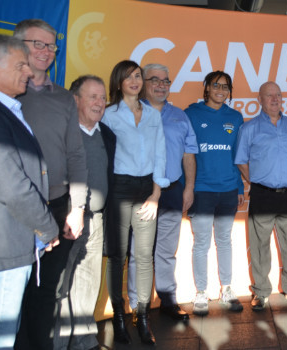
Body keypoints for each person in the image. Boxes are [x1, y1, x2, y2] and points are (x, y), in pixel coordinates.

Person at [0, 33, 58, 350]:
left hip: (6, 238)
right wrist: (47, 228)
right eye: (20, 64)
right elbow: (11, 185)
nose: (29, 71)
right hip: (2, 243)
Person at [13, 19, 88, 350]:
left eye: (51, 46)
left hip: (58, 209)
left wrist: (78, 208)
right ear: (17, 47)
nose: (46, 52)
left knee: (46, 297)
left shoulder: (63, 99)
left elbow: (76, 154)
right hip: (13, 211)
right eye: (37, 44)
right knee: (11, 295)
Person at [101, 60, 168, 345]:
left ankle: (141, 316)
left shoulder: (152, 114)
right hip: (118, 188)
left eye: (138, 76)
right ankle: (118, 316)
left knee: (144, 256)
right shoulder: (107, 115)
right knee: (118, 256)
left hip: (146, 190)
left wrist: (155, 195)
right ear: (118, 82)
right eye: (128, 76)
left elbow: (161, 155)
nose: (134, 80)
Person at [126, 63, 197, 322]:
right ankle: (137, 305)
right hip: (140, 192)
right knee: (139, 251)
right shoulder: (129, 113)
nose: (161, 85)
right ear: (143, 83)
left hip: (173, 190)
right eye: (154, 80)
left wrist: (188, 188)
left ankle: (167, 300)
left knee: (166, 250)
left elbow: (188, 154)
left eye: (165, 81)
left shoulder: (180, 115)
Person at [53, 75, 116, 350]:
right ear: (74, 100)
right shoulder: (61, 133)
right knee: (60, 285)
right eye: (92, 96)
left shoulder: (108, 135)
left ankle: (85, 339)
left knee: (89, 282)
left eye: (102, 98)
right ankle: (56, 342)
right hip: (67, 220)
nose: (99, 103)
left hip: (97, 220)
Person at [234, 81, 287, 310]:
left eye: (278, 95)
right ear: (260, 100)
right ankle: (262, 291)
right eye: (269, 96)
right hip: (262, 194)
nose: (275, 99)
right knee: (260, 246)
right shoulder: (250, 128)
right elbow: (241, 160)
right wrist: (255, 179)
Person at [185, 70, 244, 314]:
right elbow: (187, 154)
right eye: (216, 85)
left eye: (226, 87)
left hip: (229, 189)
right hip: (202, 190)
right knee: (201, 243)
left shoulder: (236, 117)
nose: (221, 90)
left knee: (224, 241)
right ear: (207, 87)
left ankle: (227, 289)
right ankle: (200, 291)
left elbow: (237, 156)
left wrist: (240, 186)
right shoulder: (191, 114)